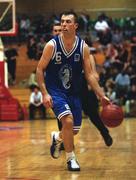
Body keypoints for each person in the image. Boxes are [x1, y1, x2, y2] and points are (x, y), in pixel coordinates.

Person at [36, 11, 110, 172]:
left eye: (68, 22)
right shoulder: (52, 45)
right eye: (62, 21)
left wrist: (101, 94)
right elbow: (40, 69)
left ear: (75, 26)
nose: (63, 24)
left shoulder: (83, 47)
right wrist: (44, 93)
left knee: (73, 131)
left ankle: (57, 137)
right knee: (67, 122)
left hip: (74, 93)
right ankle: (71, 159)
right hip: (55, 91)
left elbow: (89, 75)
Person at [52, 22, 113, 147]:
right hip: (62, 87)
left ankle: (104, 132)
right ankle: (64, 140)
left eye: (60, 30)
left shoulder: (75, 45)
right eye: (55, 30)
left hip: (80, 85)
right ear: (53, 33)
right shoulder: (51, 48)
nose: (58, 32)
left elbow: (89, 57)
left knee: (92, 112)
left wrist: (94, 72)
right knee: (62, 115)